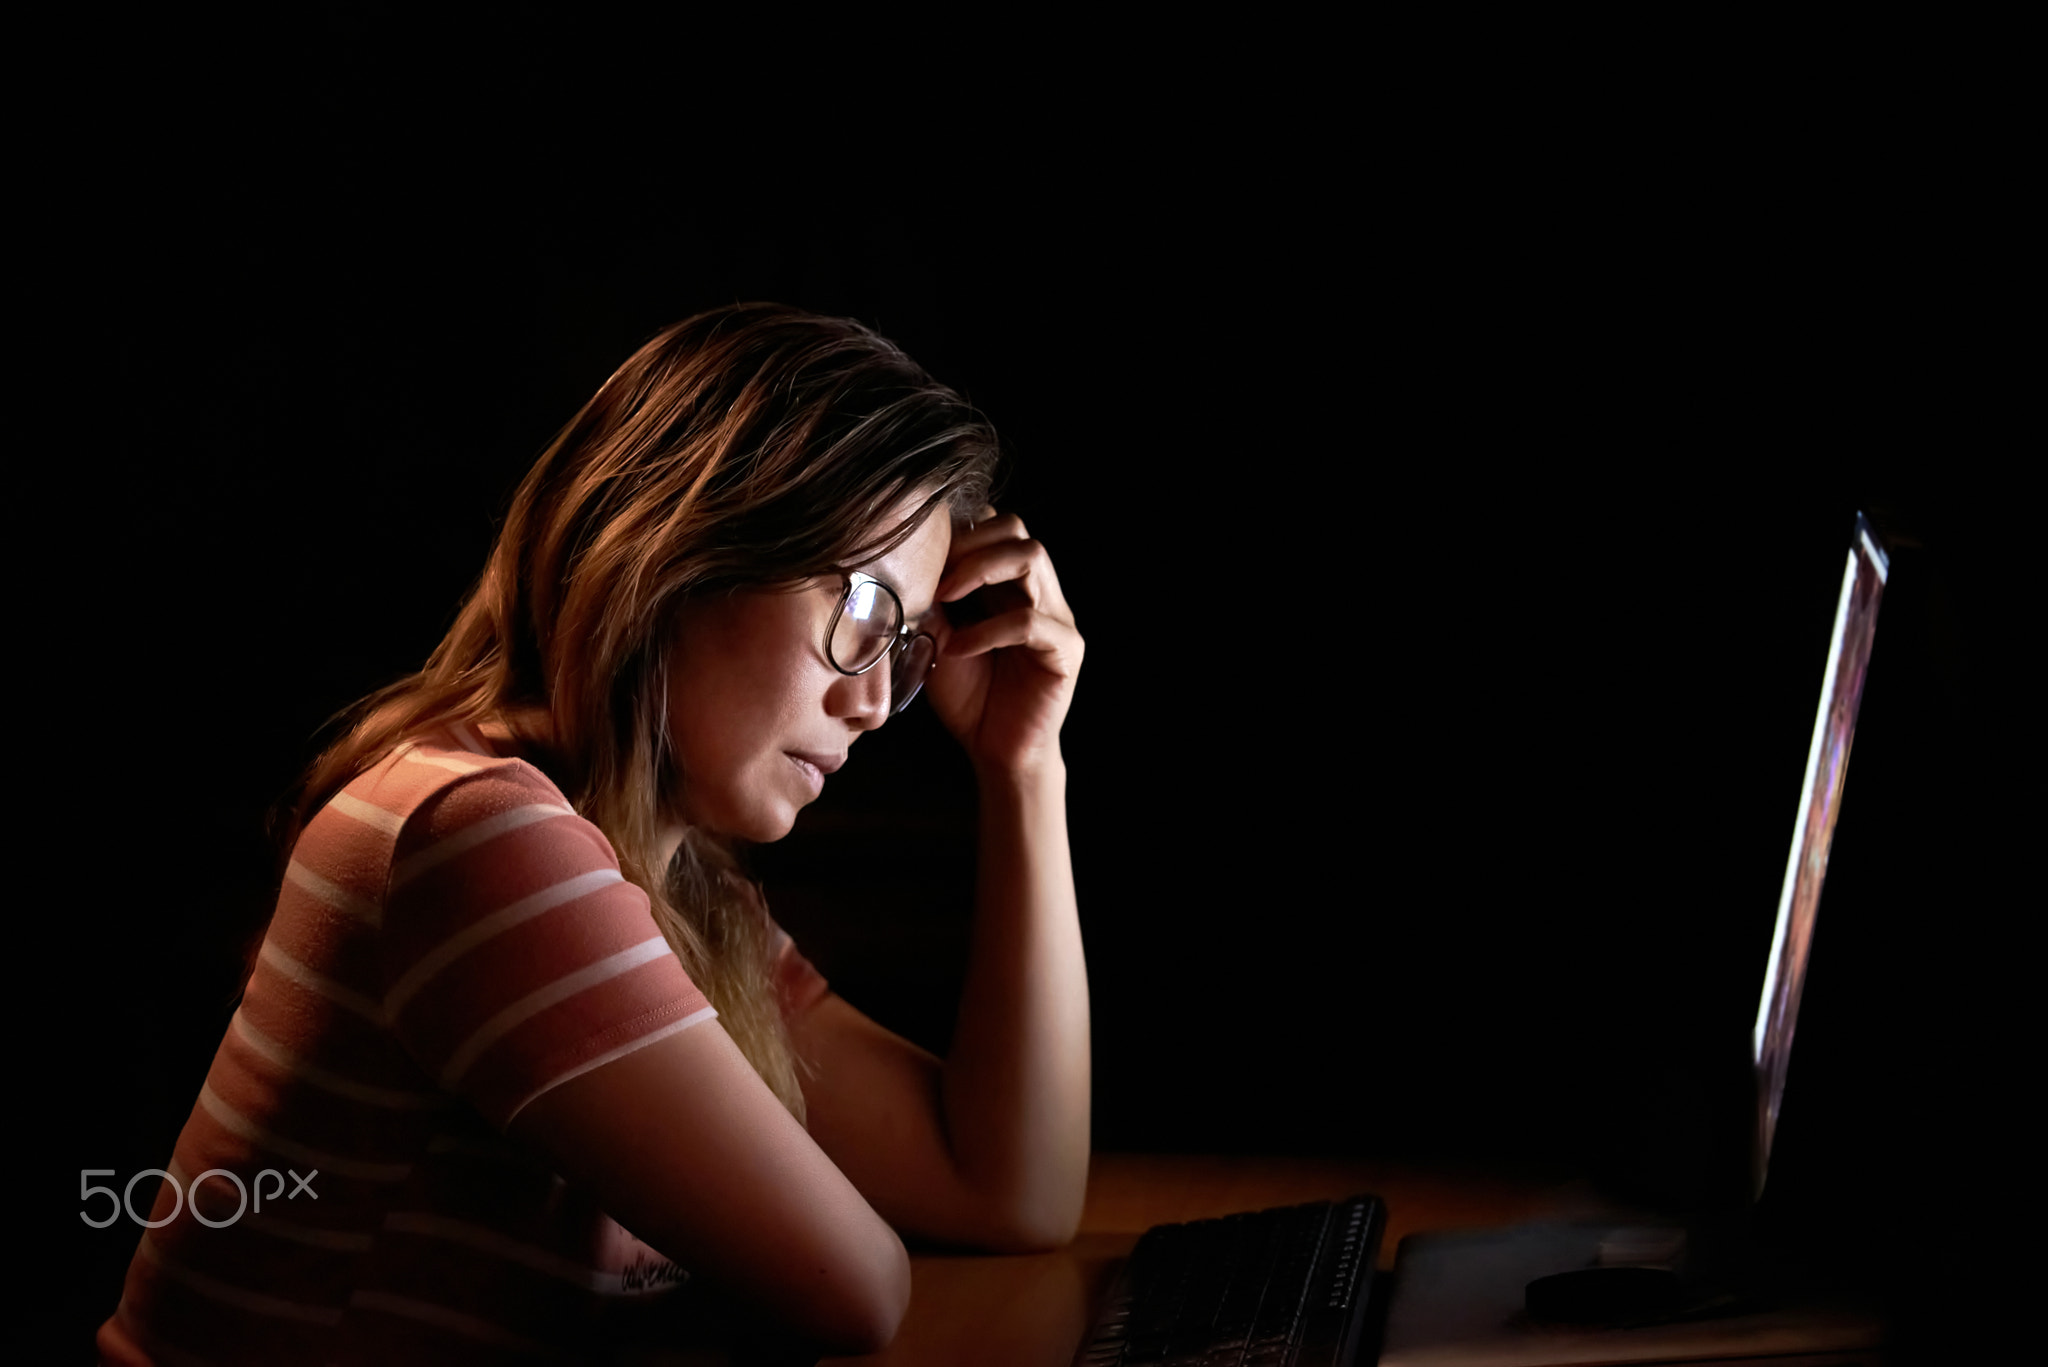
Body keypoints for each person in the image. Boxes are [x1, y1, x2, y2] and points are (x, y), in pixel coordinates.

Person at [97, 303, 1090, 1364]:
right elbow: (857, 1286)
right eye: (861, 609)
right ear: (686, 547)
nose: (873, 697)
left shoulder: (670, 885)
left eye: (904, 650)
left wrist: (1021, 765)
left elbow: (1005, 1190)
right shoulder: (474, 834)